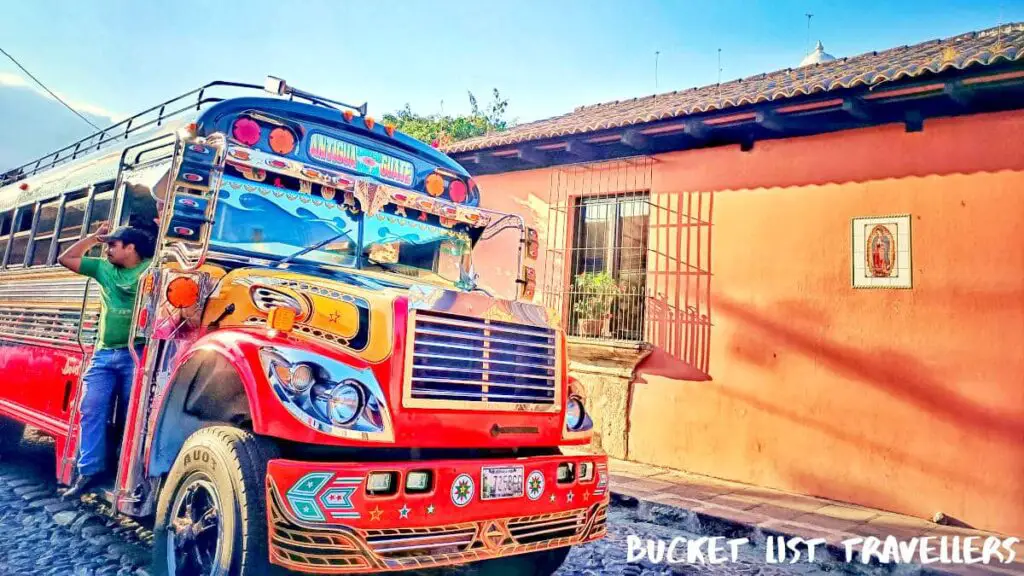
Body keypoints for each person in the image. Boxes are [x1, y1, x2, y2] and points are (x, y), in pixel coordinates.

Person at [59, 223, 154, 498]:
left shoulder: (151, 268)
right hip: (103, 353)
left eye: (113, 244)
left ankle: (126, 473)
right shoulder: (103, 269)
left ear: (131, 247)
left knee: (131, 416)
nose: (108, 249)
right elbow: (66, 259)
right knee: (91, 408)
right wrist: (92, 238)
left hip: (135, 354)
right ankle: (88, 471)